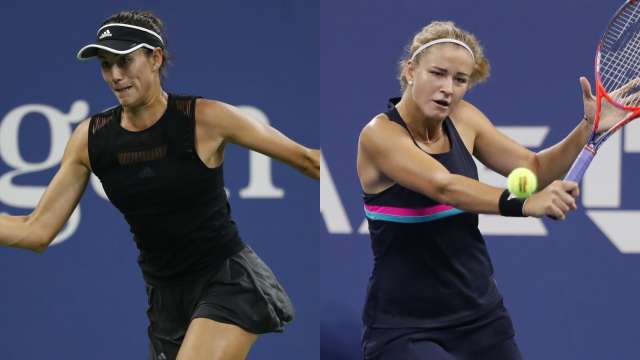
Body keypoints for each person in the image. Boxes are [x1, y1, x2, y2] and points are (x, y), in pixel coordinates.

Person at [0, 10, 319, 360]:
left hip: (228, 281)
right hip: (165, 299)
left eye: (124, 61)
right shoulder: (90, 139)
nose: (115, 76)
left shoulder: (206, 118)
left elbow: (307, 159)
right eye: (106, 65)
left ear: (156, 58)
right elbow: (37, 231)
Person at [356, 21, 624, 360]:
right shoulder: (379, 135)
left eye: (460, 79)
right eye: (437, 73)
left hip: (480, 315)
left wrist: (588, 127)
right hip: (404, 325)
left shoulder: (464, 118)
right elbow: (444, 185)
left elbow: (534, 169)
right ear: (411, 71)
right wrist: (523, 204)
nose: (447, 88)